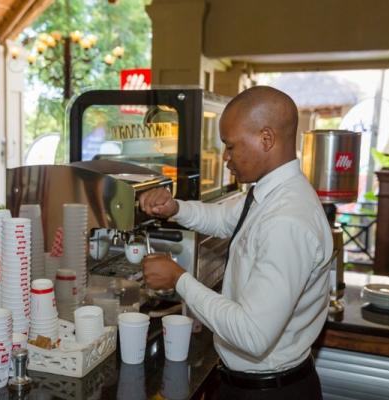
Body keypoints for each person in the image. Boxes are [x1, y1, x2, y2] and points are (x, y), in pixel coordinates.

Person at [139, 86, 332, 400]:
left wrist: (179, 280)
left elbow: (252, 335)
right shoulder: (269, 193)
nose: (225, 157)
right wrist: (174, 208)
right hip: (246, 382)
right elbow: (222, 219)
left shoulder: (287, 220)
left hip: (270, 392)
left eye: (230, 146)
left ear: (266, 138)